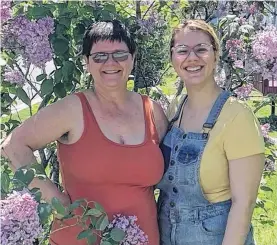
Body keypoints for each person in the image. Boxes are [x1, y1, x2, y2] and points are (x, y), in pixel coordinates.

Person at [1, 20, 168, 245]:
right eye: (99, 56)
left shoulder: (153, 112)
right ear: (86, 63)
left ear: (133, 58)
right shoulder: (72, 109)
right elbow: (13, 145)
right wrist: (58, 203)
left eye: (119, 54)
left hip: (143, 238)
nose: (110, 62)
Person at [157, 19, 265, 245]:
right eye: (182, 50)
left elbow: (243, 205)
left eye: (201, 49)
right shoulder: (176, 108)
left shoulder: (237, 116)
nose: (192, 57)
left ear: (215, 55)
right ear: (172, 57)